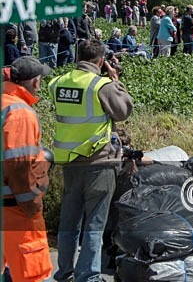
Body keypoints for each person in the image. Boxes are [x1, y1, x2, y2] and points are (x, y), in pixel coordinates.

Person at [50, 39, 133, 282]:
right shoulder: (102, 85)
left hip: (68, 161)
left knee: (69, 221)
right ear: (101, 61)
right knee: (95, 222)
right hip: (98, 162)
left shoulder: (57, 83)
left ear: (78, 58)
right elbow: (123, 111)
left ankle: (64, 271)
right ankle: (87, 275)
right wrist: (116, 81)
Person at [2, 56, 54, 282]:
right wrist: (32, 203)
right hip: (16, 210)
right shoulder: (20, 113)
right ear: (35, 82)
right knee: (31, 272)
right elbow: (18, 167)